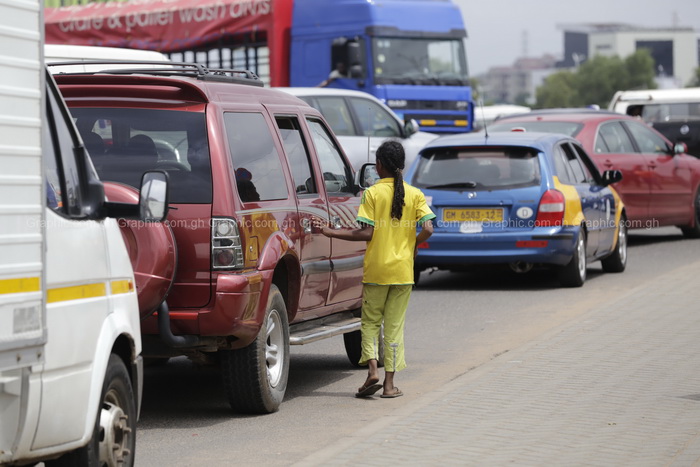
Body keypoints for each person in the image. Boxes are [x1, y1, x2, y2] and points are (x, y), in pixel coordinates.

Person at [320, 140, 435, 398]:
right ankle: (389, 385)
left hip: (376, 272)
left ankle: (372, 370)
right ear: (402, 165)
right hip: (403, 272)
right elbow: (428, 228)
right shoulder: (414, 194)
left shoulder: (371, 194)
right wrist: (412, 245)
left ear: (379, 165)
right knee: (394, 327)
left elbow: (367, 232)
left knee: (370, 323)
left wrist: (331, 232)